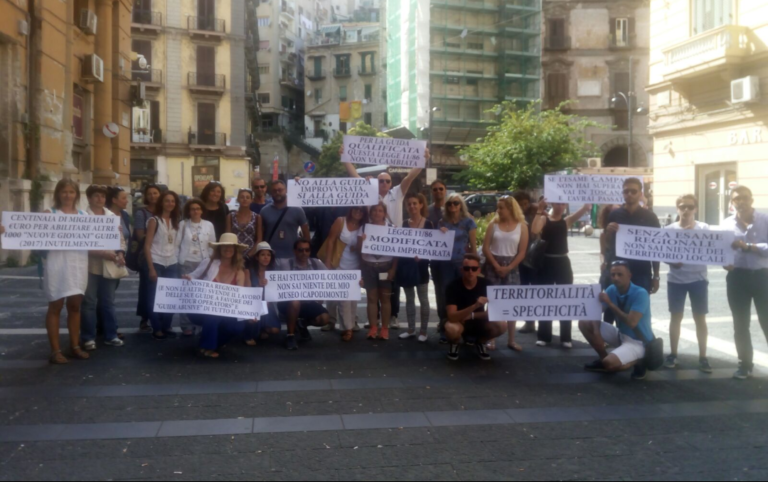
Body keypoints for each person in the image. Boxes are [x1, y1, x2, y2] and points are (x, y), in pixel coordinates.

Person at [345, 148, 429, 330]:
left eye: (387, 181)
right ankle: (373, 319)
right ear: (377, 181)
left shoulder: (398, 193)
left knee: (391, 284)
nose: (383, 183)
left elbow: (410, 177)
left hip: (393, 245)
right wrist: (345, 157)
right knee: (373, 289)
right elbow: (353, 175)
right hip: (371, 246)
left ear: (391, 183)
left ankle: (392, 316)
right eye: (381, 180)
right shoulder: (369, 191)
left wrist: (422, 160)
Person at [40, 180, 90, 364]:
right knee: (56, 306)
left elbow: (96, 238)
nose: (68, 195)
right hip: (57, 264)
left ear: (76, 194)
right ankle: (55, 350)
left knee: (75, 307)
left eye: (71, 192)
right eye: (64, 192)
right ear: (58, 194)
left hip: (77, 265)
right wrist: (8, 229)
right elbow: (29, 231)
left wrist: (111, 234)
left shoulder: (84, 215)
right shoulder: (50, 214)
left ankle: (74, 345)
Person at [531, 200, 592, 349]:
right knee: (544, 299)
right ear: (552, 204)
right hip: (545, 263)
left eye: (563, 204)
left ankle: (566, 337)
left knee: (565, 299)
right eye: (557, 203)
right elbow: (534, 230)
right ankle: (544, 336)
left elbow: (582, 211)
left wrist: (586, 206)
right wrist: (539, 210)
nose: (560, 206)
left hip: (563, 263)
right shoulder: (544, 218)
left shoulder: (567, 220)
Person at [722, 185, 768, 380]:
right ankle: (745, 364)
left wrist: (748, 246)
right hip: (737, 278)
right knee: (740, 323)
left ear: (752, 199)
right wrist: (724, 263)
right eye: (736, 199)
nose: (741, 201)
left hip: (762, 276)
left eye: (744, 197)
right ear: (732, 203)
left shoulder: (765, 220)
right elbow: (721, 250)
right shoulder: (726, 223)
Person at [580, 261, 654, 380]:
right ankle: (603, 359)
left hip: (638, 341)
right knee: (584, 322)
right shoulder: (611, 289)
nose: (616, 278)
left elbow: (631, 322)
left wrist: (610, 303)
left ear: (629, 275)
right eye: (613, 275)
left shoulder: (641, 293)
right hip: (621, 335)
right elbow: (596, 313)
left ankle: (640, 361)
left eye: (620, 274)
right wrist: (597, 333)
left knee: (610, 364)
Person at [664, 195, 712, 373]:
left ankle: (703, 357)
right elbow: (661, 252)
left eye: (690, 207)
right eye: (682, 206)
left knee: (700, 318)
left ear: (695, 209)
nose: (686, 210)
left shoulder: (704, 228)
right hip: (676, 280)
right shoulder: (669, 229)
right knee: (676, 317)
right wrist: (670, 261)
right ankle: (673, 354)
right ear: (677, 209)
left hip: (699, 280)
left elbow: (714, 247)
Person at [183, 233, 250, 358]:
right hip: (202, 309)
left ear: (235, 250)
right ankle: (207, 346)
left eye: (231, 246)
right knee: (214, 314)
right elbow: (193, 276)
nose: (227, 249)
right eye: (224, 246)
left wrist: (252, 312)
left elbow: (241, 296)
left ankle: (213, 343)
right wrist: (187, 278)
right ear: (219, 248)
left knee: (238, 326)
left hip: (227, 312)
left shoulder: (239, 272)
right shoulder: (209, 263)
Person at [80, 185, 127, 351]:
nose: (99, 199)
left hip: (109, 263)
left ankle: (110, 335)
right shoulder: (83, 216)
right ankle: (88, 337)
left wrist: (120, 253)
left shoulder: (111, 216)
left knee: (108, 302)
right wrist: (103, 253)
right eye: (96, 196)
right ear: (89, 198)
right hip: (90, 265)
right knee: (89, 302)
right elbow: (80, 242)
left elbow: (120, 239)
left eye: (102, 196)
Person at [482, 196, 528, 351]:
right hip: (493, 265)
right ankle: (491, 338)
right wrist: (496, 265)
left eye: (501, 207)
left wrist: (508, 267)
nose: (498, 210)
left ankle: (511, 340)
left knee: (511, 304)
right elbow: (485, 248)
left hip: (512, 267)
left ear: (510, 208)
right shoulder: (492, 225)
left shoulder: (522, 226)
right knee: (493, 303)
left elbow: (522, 252)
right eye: (498, 207)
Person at [445, 254, 508, 361]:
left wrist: (472, 315)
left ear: (479, 271)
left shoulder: (487, 285)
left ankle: (481, 342)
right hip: (459, 321)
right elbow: (451, 316)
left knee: (502, 324)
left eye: (474, 269)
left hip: (478, 321)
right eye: (467, 268)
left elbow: (494, 312)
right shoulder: (452, 286)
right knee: (451, 328)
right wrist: (475, 306)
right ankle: (455, 344)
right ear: (461, 270)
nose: (470, 271)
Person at [604, 178, 661, 294]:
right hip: (618, 272)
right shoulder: (614, 215)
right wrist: (608, 232)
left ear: (640, 194)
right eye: (626, 191)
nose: (629, 194)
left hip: (642, 271)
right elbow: (607, 244)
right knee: (616, 307)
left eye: (633, 191)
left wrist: (656, 276)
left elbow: (656, 247)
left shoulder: (650, 217)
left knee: (640, 309)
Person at [275, 239, 332, 350]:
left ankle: (301, 324)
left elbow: (331, 278)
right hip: (287, 302)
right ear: (295, 251)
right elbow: (274, 279)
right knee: (295, 301)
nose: (304, 253)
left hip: (308, 302)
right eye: (301, 250)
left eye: (307, 250)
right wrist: (266, 282)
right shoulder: (286, 264)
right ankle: (290, 336)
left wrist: (355, 282)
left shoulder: (316, 263)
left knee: (324, 319)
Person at [436, 193, 478, 343]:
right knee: (446, 295)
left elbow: (473, 246)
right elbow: (435, 243)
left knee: (465, 295)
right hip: (446, 263)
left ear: (461, 205)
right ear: (446, 206)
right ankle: (445, 328)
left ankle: (467, 329)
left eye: (456, 203)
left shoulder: (468, 222)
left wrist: (475, 265)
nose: (453, 206)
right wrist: (440, 233)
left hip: (463, 264)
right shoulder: (442, 222)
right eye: (449, 204)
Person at [144, 190, 183, 340]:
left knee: (170, 297)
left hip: (172, 262)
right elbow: (147, 246)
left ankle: (167, 325)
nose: (170, 204)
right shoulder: (154, 221)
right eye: (167, 201)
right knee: (154, 297)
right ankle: (157, 327)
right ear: (161, 203)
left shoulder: (176, 222)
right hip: (157, 261)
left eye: (172, 201)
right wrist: (151, 268)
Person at [324, 207, 367, 341]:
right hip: (338, 264)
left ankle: (350, 325)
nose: (358, 212)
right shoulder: (340, 221)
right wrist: (327, 262)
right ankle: (340, 325)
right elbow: (330, 240)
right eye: (356, 209)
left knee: (351, 299)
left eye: (361, 210)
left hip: (355, 266)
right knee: (339, 298)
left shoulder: (365, 227)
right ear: (351, 209)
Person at [177, 198, 216, 337]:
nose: (195, 211)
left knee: (202, 294)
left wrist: (210, 262)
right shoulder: (182, 224)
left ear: (202, 211)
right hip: (187, 262)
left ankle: (200, 323)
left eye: (198, 208)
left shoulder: (208, 225)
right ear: (188, 211)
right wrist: (178, 260)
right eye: (192, 209)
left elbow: (212, 244)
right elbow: (177, 244)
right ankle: (186, 324)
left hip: (203, 262)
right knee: (187, 294)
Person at [359, 203, 398, 340]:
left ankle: (385, 329)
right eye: (374, 210)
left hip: (385, 267)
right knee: (371, 298)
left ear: (385, 213)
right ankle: (373, 327)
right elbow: (358, 251)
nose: (377, 213)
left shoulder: (392, 229)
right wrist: (361, 242)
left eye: (380, 211)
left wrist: (393, 269)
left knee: (385, 298)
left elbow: (397, 251)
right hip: (369, 267)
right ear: (370, 213)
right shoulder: (364, 228)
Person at [398, 194, 434, 342]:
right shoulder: (403, 224)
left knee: (424, 299)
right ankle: (411, 329)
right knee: (409, 299)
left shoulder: (429, 224)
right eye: (409, 204)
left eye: (414, 203)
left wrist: (443, 232)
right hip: (406, 266)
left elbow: (434, 246)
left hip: (422, 266)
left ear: (421, 205)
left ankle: (424, 331)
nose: (412, 206)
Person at [134, 184, 162, 333]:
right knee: (147, 289)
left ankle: (161, 319)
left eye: (155, 193)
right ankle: (145, 319)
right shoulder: (141, 213)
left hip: (165, 256)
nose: (153, 196)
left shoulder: (166, 211)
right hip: (148, 255)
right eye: (150, 194)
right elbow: (139, 236)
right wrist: (157, 238)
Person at [259, 180, 310, 260]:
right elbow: (260, 236)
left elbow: (306, 234)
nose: (277, 192)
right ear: (271, 192)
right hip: (270, 258)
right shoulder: (264, 211)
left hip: (293, 257)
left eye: (280, 190)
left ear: (286, 190)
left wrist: (304, 253)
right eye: (274, 190)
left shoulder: (297, 209)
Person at [244, 242, 282, 345]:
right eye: (263, 255)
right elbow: (246, 291)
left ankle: (263, 328)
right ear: (256, 257)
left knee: (275, 330)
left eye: (268, 255)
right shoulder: (249, 271)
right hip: (253, 305)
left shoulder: (273, 272)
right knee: (253, 326)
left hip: (268, 305)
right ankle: (247, 334)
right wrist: (259, 286)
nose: (266, 257)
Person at [512, 191, 537, 335]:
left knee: (533, 290)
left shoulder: (534, 215)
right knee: (523, 290)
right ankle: (529, 321)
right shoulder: (513, 217)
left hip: (533, 258)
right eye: (520, 204)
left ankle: (534, 321)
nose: (523, 206)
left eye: (526, 203)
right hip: (518, 259)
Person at [229, 188, 262, 267]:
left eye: (247, 197)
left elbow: (259, 239)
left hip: (251, 256)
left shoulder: (257, 217)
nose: (245, 199)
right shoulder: (230, 216)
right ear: (238, 199)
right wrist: (235, 254)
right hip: (234, 255)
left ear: (251, 200)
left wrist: (248, 256)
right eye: (242, 197)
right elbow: (228, 238)